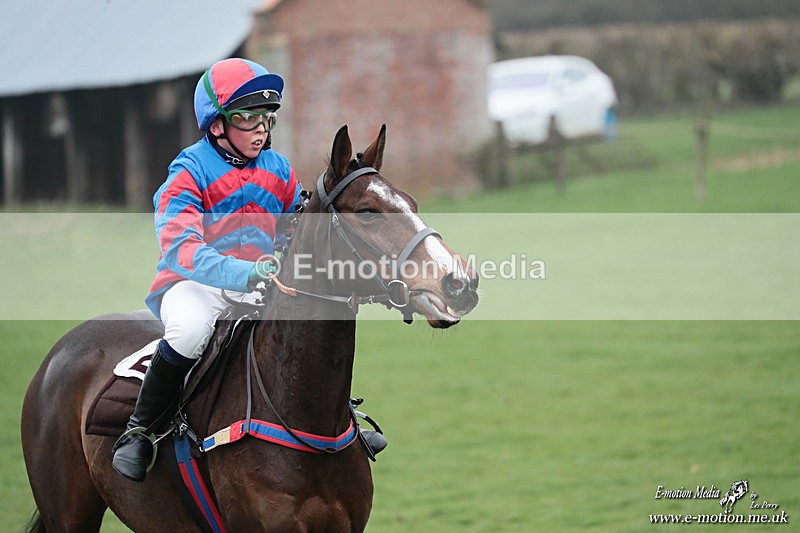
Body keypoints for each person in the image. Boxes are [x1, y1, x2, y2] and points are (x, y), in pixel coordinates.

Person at [112, 58, 302, 482]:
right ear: (217, 125)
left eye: (266, 118)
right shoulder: (187, 172)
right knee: (191, 332)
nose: (261, 129)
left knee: (309, 323)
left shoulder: (280, 171)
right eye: (247, 118)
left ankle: (339, 419)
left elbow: (299, 225)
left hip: (259, 282)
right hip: (193, 284)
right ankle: (138, 431)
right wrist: (247, 273)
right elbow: (182, 251)